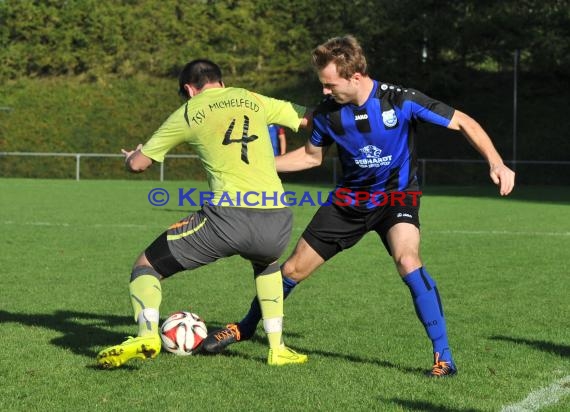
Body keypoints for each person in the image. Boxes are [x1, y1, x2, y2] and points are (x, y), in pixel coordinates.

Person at [202, 35, 515, 377]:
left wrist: (496, 163)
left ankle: (444, 358)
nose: (324, 91)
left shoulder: (401, 100)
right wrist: (253, 167)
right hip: (347, 203)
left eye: (329, 84)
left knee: (408, 260)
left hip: (397, 199)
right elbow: (309, 157)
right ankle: (246, 326)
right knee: (291, 271)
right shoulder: (327, 115)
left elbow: (464, 122)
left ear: (355, 77)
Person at [96, 59, 310, 368]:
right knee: (267, 265)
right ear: (220, 81)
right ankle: (278, 348)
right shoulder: (253, 98)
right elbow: (308, 119)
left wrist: (131, 157)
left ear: (189, 89)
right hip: (278, 218)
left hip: (229, 217)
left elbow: (140, 164)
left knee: (146, 266)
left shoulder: (189, 111)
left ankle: (146, 334)